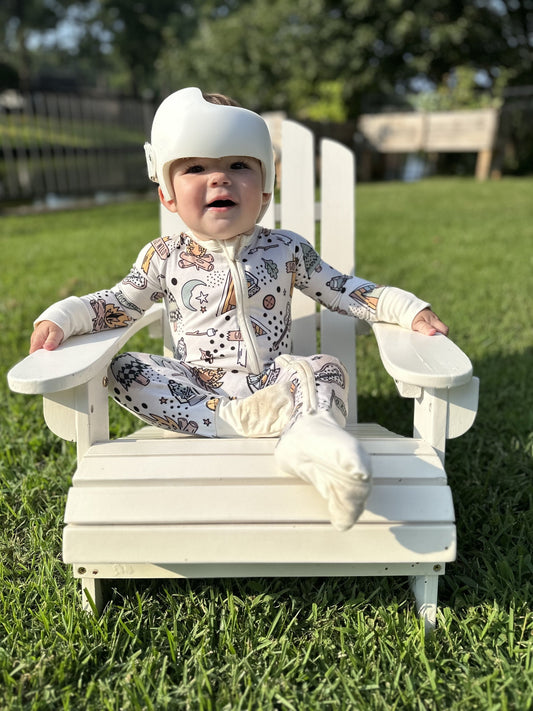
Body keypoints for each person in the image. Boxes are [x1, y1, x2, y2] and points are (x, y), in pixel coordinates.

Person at [29, 87, 448, 531]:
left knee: (324, 368)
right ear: (168, 195)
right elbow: (117, 304)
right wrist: (65, 317)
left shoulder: (286, 249)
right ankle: (236, 421)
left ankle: (312, 437)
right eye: (195, 167)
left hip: (273, 383)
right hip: (196, 388)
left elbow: (341, 289)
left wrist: (404, 307)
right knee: (124, 368)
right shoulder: (163, 256)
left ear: (265, 190)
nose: (219, 179)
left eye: (238, 165)